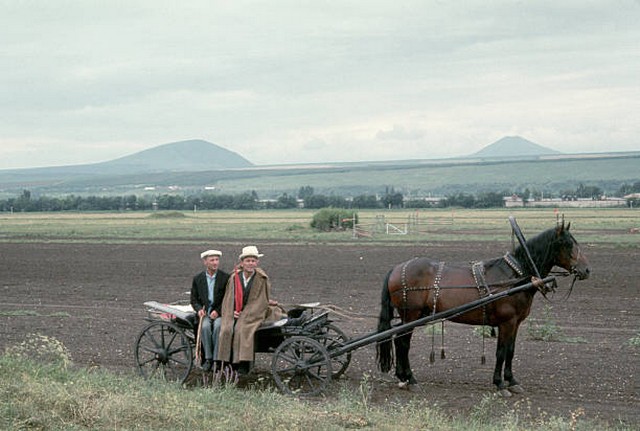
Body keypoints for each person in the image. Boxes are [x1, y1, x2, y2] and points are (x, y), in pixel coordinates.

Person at [217, 245, 278, 375]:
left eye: (253, 261)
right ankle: (226, 363)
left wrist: (245, 314)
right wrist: (232, 311)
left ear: (257, 262)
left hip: (253, 314)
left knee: (242, 329)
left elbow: (261, 301)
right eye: (248, 261)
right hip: (235, 312)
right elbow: (228, 298)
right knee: (226, 329)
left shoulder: (262, 279)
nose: (251, 263)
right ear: (242, 262)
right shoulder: (234, 278)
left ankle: (243, 363)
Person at [190, 249, 230, 372]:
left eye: (217, 260)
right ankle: (208, 358)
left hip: (220, 313)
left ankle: (217, 360)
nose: (215, 263)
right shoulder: (198, 279)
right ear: (205, 262)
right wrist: (198, 310)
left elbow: (227, 298)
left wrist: (218, 311)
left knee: (218, 327)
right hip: (205, 313)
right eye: (212, 260)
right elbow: (194, 299)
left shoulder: (225, 278)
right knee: (205, 327)